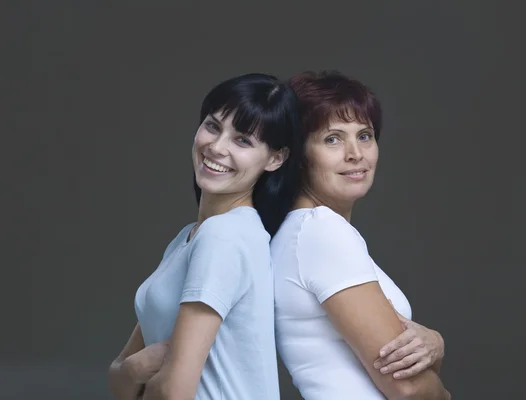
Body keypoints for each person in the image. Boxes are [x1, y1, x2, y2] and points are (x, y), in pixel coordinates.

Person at [108, 73, 303, 400]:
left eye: (242, 140)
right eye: (213, 126)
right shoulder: (190, 238)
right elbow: (119, 379)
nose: (216, 146)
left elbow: (175, 391)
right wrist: (135, 368)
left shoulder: (224, 236)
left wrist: (133, 374)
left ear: (275, 158)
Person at [270, 70, 451, 399]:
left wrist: (434, 344)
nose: (356, 153)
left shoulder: (302, 232)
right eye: (332, 139)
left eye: (364, 135)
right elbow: (407, 386)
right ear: (297, 156)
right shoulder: (321, 231)